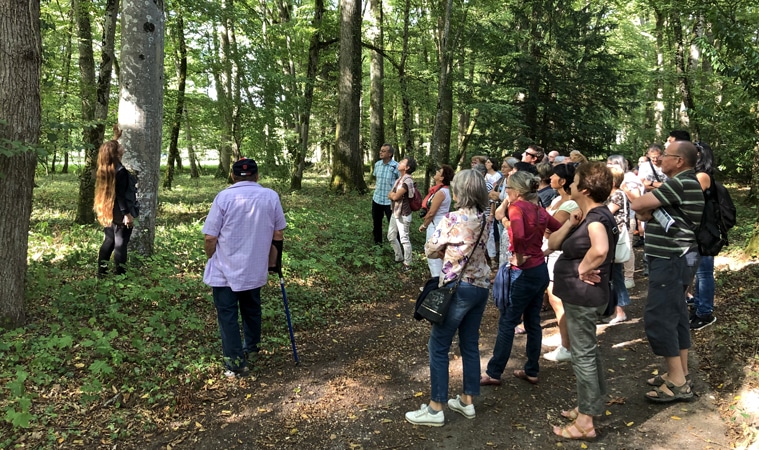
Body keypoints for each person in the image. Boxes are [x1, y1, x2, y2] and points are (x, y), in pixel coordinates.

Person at [405, 170, 491, 427]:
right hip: (481, 286)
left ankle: (435, 408)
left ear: (460, 192)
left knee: (439, 346)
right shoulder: (485, 219)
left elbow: (431, 248)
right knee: (470, 344)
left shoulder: (453, 218)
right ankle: (467, 401)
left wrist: (446, 250)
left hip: (457, 287)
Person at [547, 161, 616, 440]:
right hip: (582, 297)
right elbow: (552, 243)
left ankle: (586, 422)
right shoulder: (588, 216)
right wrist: (572, 225)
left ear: (585, 189)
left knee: (583, 355)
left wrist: (581, 269)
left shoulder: (598, 218)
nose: (571, 184)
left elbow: (599, 250)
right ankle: (591, 405)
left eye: (574, 181)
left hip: (583, 297)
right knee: (588, 351)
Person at [630, 140, 703, 403]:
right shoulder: (683, 183)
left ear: (680, 161)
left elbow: (639, 206)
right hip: (678, 257)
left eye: (667, 156)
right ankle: (680, 373)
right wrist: (652, 208)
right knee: (676, 313)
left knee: (660, 315)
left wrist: (649, 206)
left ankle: (677, 383)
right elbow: (646, 215)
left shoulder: (680, 182)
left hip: (672, 258)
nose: (660, 160)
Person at [202, 158, 287, 378]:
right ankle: (252, 348)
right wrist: (272, 263)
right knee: (251, 309)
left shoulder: (224, 197)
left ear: (232, 176)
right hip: (254, 267)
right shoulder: (270, 196)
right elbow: (278, 233)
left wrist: (210, 255)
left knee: (228, 315)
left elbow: (210, 236)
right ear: (257, 175)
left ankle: (235, 363)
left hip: (224, 270)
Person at [480, 171, 562, 386]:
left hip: (523, 272)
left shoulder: (517, 207)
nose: (506, 192)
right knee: (533, 321)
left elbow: (518, 234)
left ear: (516, 191)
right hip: (539, 271)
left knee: (508, 321)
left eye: (508, 188)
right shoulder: (539, 210)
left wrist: (518, 257)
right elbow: (559, 229)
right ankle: (532, 370)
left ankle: (494, 372)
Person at [542, 163, 579, 362]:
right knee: (555, 298)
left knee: (558, 299)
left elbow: (549, 229)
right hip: (549, 250)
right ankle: (566, 341)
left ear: (563, 181)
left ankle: (567, 346)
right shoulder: (557, 199)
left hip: (557, 252)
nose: (550, 179)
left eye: (553, 176)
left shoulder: (571, 204)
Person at [94, 126, 135, 277]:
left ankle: (102, 273)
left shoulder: (106, 167)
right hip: (119, 211)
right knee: (120, 244)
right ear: (116, 153)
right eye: (119, 146)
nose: (122, 147)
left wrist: (115, 137)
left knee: (109, 241)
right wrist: (127, 214)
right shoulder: (121, 171)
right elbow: (121, 195)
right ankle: (121, 275)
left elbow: (107, 149)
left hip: (107, 209)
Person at [690, 141, 717, 330]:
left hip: (706, 232)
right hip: (699, 231)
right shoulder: (697, 175)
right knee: (700, 273)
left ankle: (705, 313)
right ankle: (699, 307)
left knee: (705, 273)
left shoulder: (702, 176)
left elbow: (688, 199)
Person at [608, 154, 644, 289]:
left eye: (611, 164)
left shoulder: (629, 178)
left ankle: (629, 277)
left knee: (626, 248)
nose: (608, 166)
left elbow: (637, 199)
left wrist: (624, 188)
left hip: (626, 219)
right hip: (615, 221)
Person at [605, 166, 632, 324]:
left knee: (615, 275)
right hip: (611, 238)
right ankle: (615, 308)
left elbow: (607, 212)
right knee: (612, 274)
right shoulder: (613, 194)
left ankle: (620, 310)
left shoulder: (618, 195)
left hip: (616, 239)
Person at [419, 164, 454, 277]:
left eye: (439, 171)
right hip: (438, 224)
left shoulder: (440, 193)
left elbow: (431, 213)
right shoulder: (442, 190)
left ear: (442, 177)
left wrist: (424, 225)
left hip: (436, 225)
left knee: (432, 252)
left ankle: (436, 283)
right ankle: (439, 280)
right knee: (437, 253)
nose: (436, 172)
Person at [388, 157, 417, 271]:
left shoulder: (407, 181)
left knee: (404, 238)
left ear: (407, 167)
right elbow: (392, 194)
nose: (399, 163)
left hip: (403, 213)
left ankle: (407, 263)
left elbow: (394, 196)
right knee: (391, 236)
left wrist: (392, 195)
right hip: (395, 212)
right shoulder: (400, 179)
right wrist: (392, 195)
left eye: (402, 162)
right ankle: (399, 257)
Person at [372, 144, 400, 245]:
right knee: (376, 222)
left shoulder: (396, 166)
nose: (380, 152)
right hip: (377, 199)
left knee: (393, 224)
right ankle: (377, 242)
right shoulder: (377, 164)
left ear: (390, 154)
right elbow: (377, 179)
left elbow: (401, 182)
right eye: (381, 150)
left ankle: (397, 244)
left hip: (390, 201)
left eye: (383, 151)